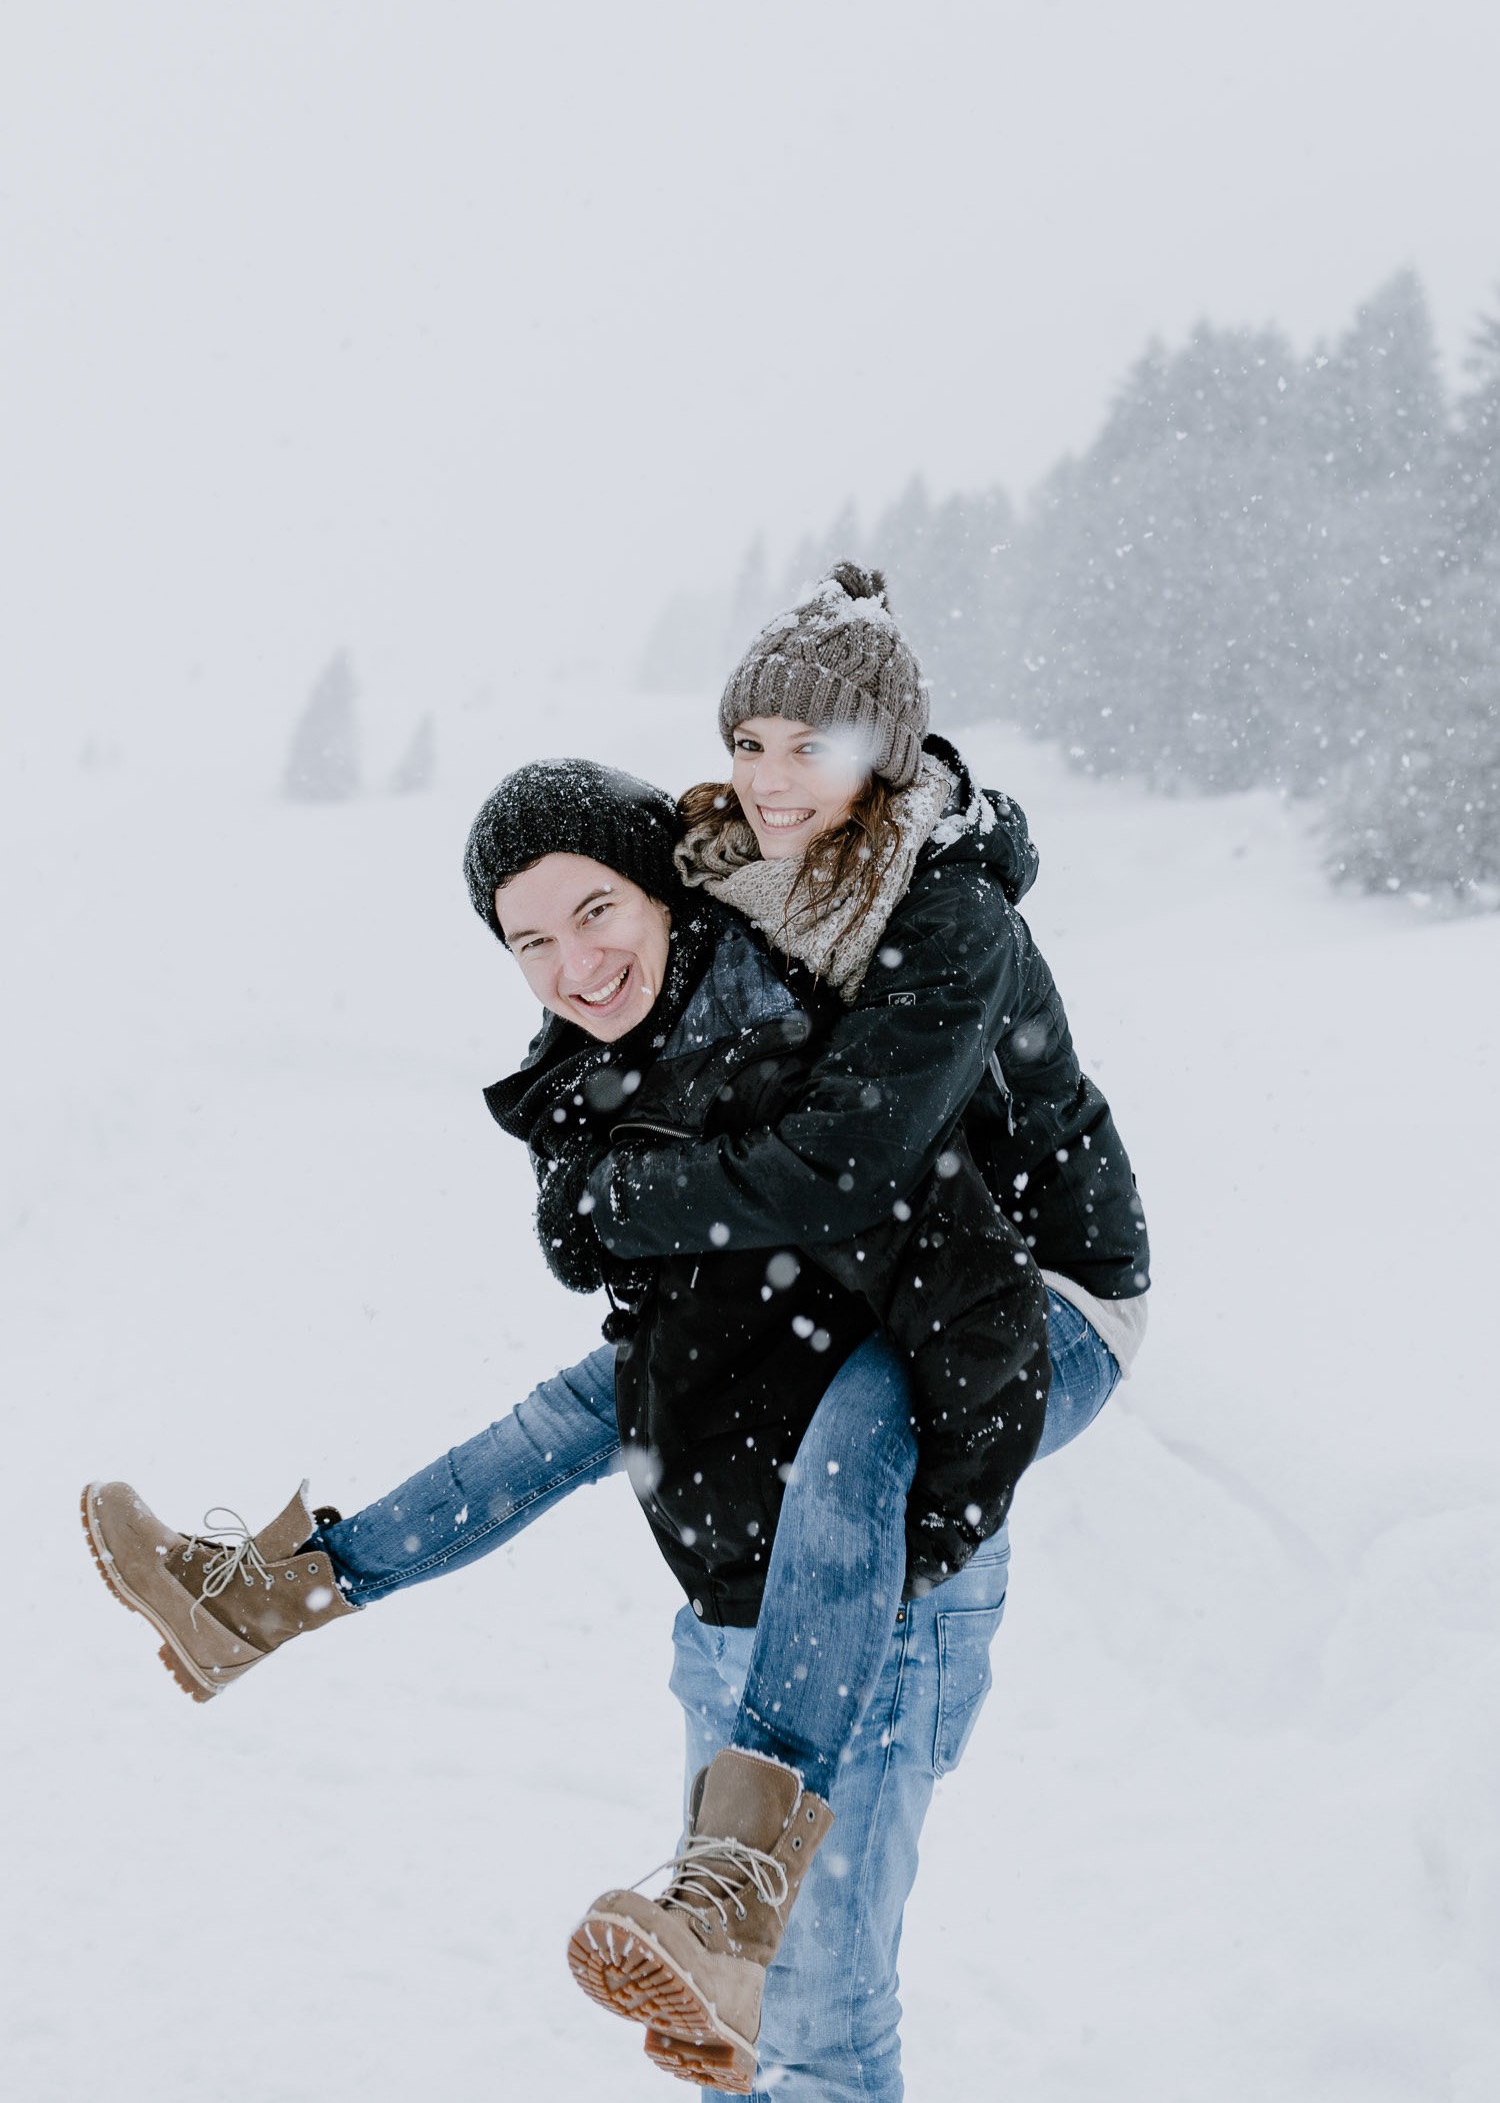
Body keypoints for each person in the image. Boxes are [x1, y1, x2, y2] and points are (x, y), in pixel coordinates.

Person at [83, 563, 1149, 2101]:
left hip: (971, 1388)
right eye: (530, 937)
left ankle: (732, 1875)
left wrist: (630, 1217)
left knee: (823, 2025)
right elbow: (663, 1226)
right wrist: (617, 1210)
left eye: (597, 907)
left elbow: (882, 1205)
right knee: (572, 1416)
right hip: (754, 1565)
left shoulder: (902, 939)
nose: (575, 959)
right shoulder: (691, 982)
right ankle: (272, 1594)